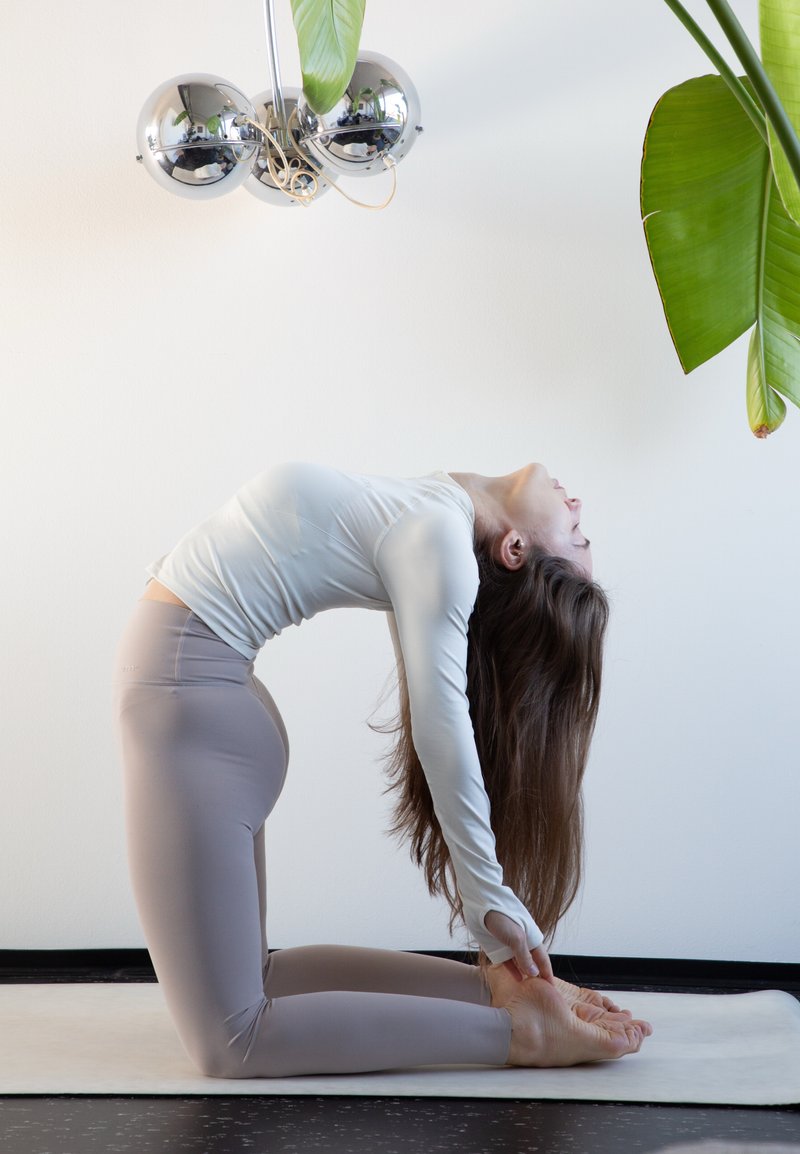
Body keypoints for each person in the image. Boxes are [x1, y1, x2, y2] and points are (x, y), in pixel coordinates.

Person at [112, 461, 652, 1078]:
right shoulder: (439, 511)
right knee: (256, 981)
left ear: (516, 548)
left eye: (578, 535)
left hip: (188, 708)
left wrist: (487, 894)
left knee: (232, 1041)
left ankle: (522, 1032)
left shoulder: (441, 541)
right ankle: (499, 997)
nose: (578, 505)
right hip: (199, 702)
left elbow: (441, 723)